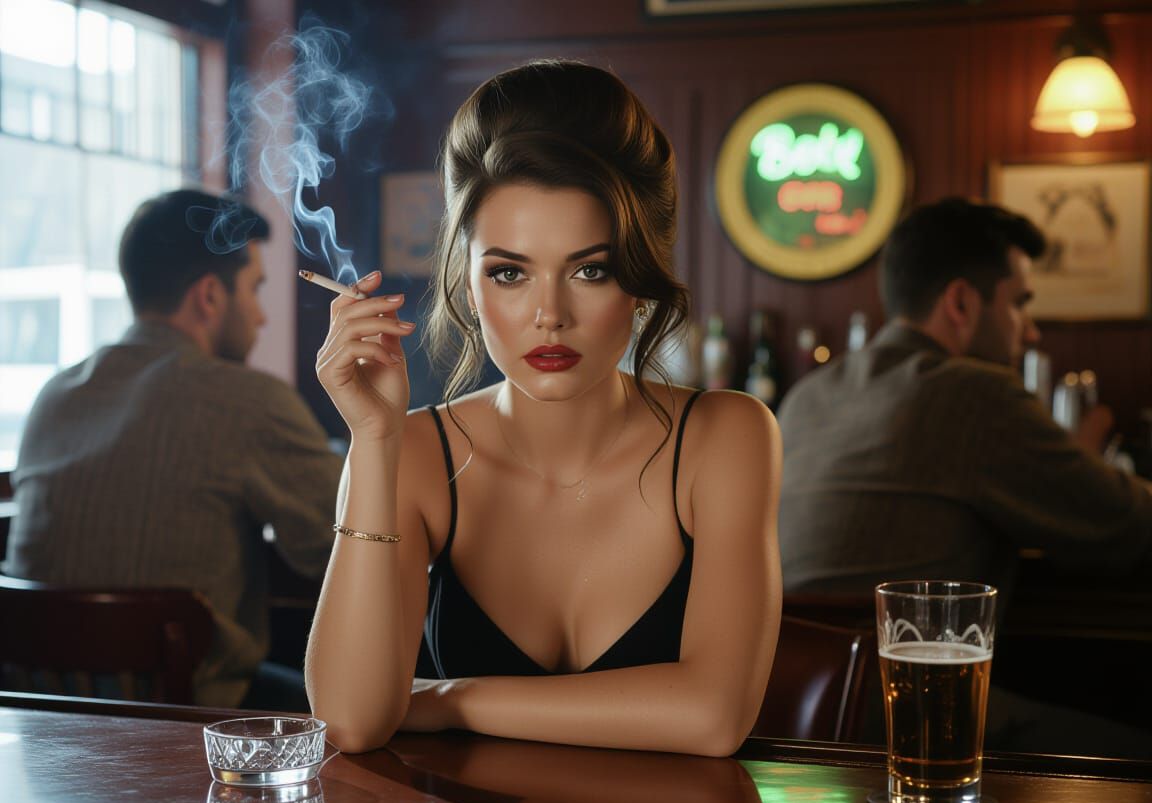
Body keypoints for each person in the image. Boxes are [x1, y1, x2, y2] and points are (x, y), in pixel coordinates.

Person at [307, 59, 781, 756]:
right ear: (468, 286)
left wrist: (449, 697)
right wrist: (374, 441)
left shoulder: (727, 437)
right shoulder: (407, 452)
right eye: (509, 272)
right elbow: (349, 721)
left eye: (591, 270)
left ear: (640, 279)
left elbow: (713, 718)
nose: (549, 316)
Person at [4, 188, 343, 710]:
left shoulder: (55, 395)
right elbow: (338, 547)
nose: (261, 317)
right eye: (254, 290)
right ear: (209, 296)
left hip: (41, 723)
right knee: (363, 706)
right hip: (188, 723)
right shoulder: (247, 399)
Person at [778, 197, 1152, 601]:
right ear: (960, 303)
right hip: (903, 662)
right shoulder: (975, 393)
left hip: (793, 661)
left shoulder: (808, 394)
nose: (1030, 333)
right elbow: (1128, 521)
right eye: (1019, 304)